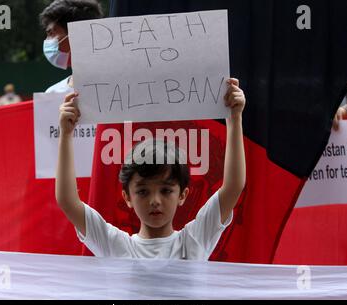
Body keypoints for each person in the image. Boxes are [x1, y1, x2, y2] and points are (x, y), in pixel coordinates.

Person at [55, 78, 246, 260]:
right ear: (127, 197)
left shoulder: (194, 241)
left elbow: (233, 186)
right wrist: (65, 133)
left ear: (183, 194)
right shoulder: (117, 246)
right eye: (143, 191)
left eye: (166, 190)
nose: (155, 201)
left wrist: (235, 119)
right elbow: (67, 201)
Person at [39, 0, 104, 93]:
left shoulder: (121, 85)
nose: (47, 41)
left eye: (51, 33)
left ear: (76, 33)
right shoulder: (52, 94)